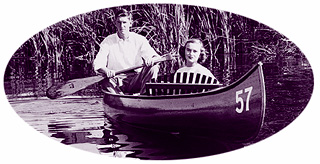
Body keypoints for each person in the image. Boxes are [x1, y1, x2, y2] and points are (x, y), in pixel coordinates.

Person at [93, 9, 161, 95]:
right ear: (115, 23)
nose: (122, 26)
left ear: (130, 23)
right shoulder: (108, 41)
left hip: (136, 79)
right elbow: (98, 63)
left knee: (153, 68)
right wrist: (106, 70)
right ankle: (120, 97)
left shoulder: (139, 39)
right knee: (105, 80)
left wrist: (152, 59)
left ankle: (144, 96)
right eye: (119, 22)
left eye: (124, 22)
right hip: (116, 79)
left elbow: (156, 57)